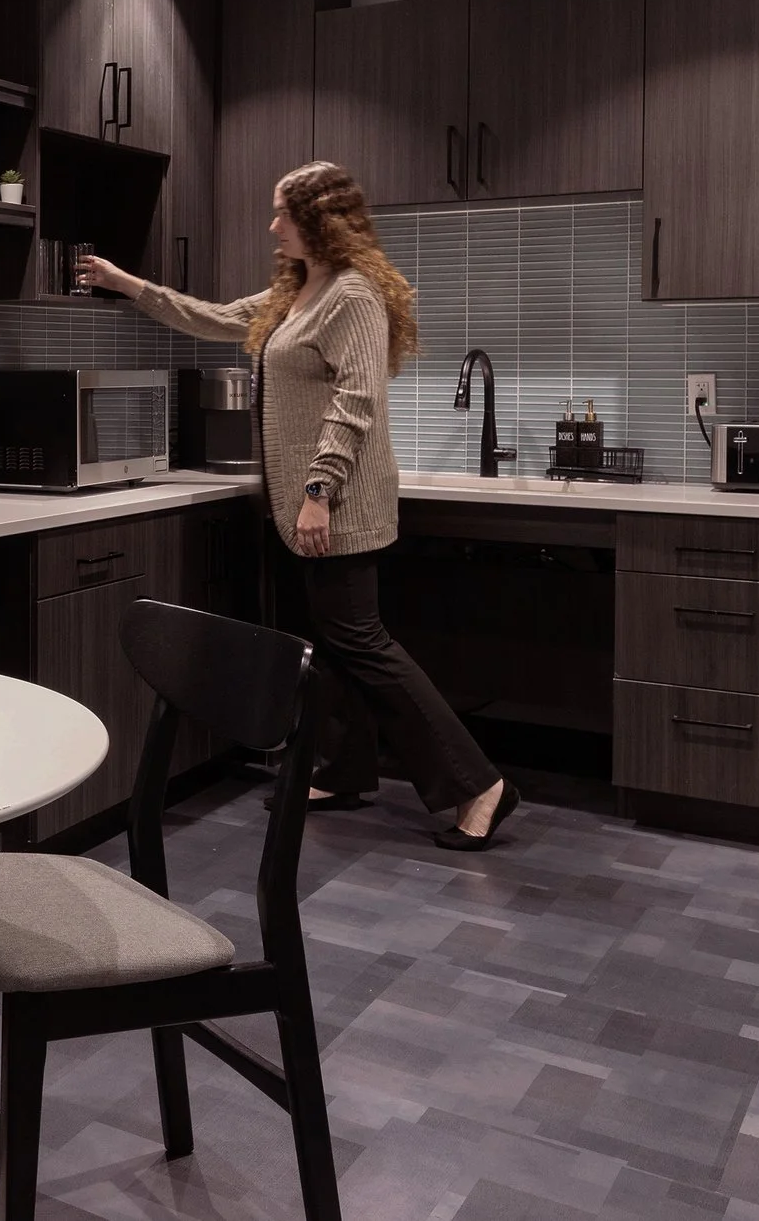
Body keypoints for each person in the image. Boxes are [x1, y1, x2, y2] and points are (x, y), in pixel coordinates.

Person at [77, 161, 519, 850]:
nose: (271, 224)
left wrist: (320, 491)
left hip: (338, 504)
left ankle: (477, 783)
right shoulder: (297, 290)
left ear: (318, 218)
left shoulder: (353, 296)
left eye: (282, 211)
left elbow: (357, 399)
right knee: (336, 645)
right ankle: (345, 768)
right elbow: (217, 318)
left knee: (362, 642)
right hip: (303, 504)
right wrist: (125, 283)